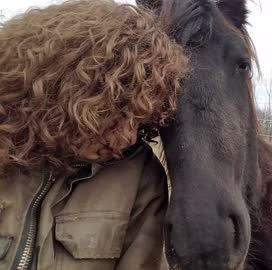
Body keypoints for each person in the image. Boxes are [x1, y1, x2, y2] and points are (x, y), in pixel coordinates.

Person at [0, 1, 188, 269]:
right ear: (68, 91)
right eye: (118, 114)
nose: (130, 137)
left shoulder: (138, 178)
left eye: (140, 121)